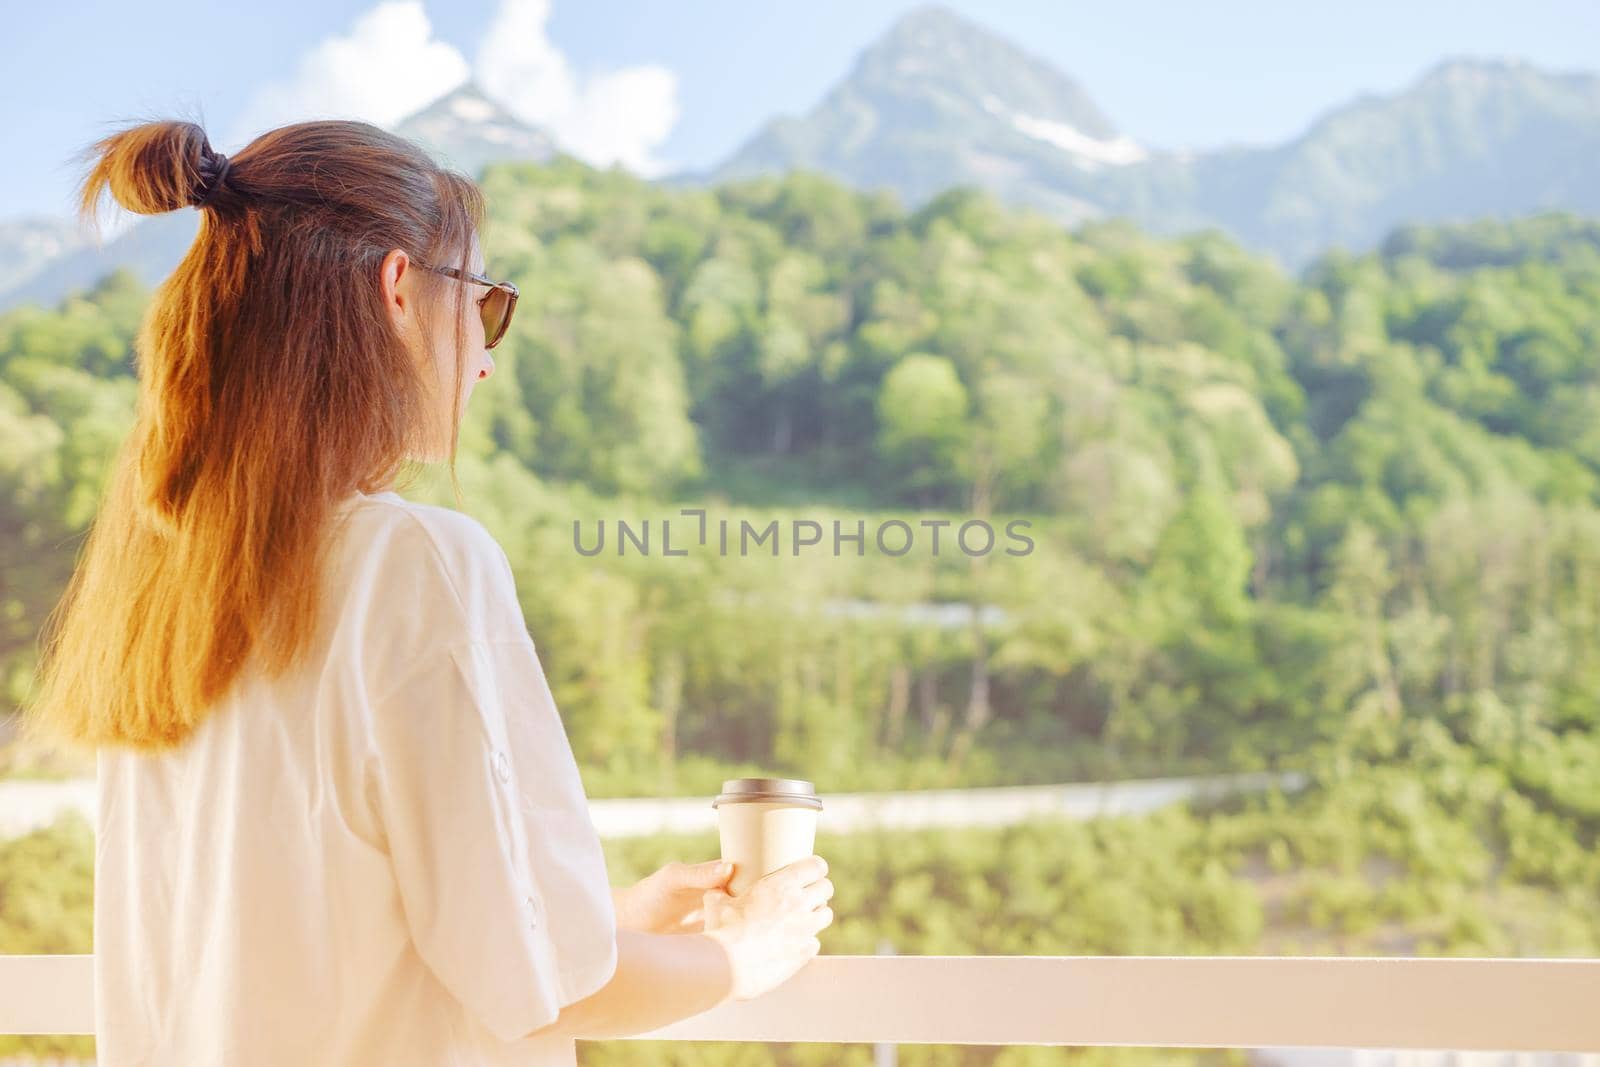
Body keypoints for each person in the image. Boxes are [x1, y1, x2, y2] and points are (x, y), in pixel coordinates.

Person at [17, 118, 834, 1066]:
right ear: (399, 290)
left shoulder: (159, 592)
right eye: (486, 305)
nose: (486, 357)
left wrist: (603, 917)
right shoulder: (413, 564)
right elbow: (544, 994)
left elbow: (309, 939)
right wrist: (742, 953)